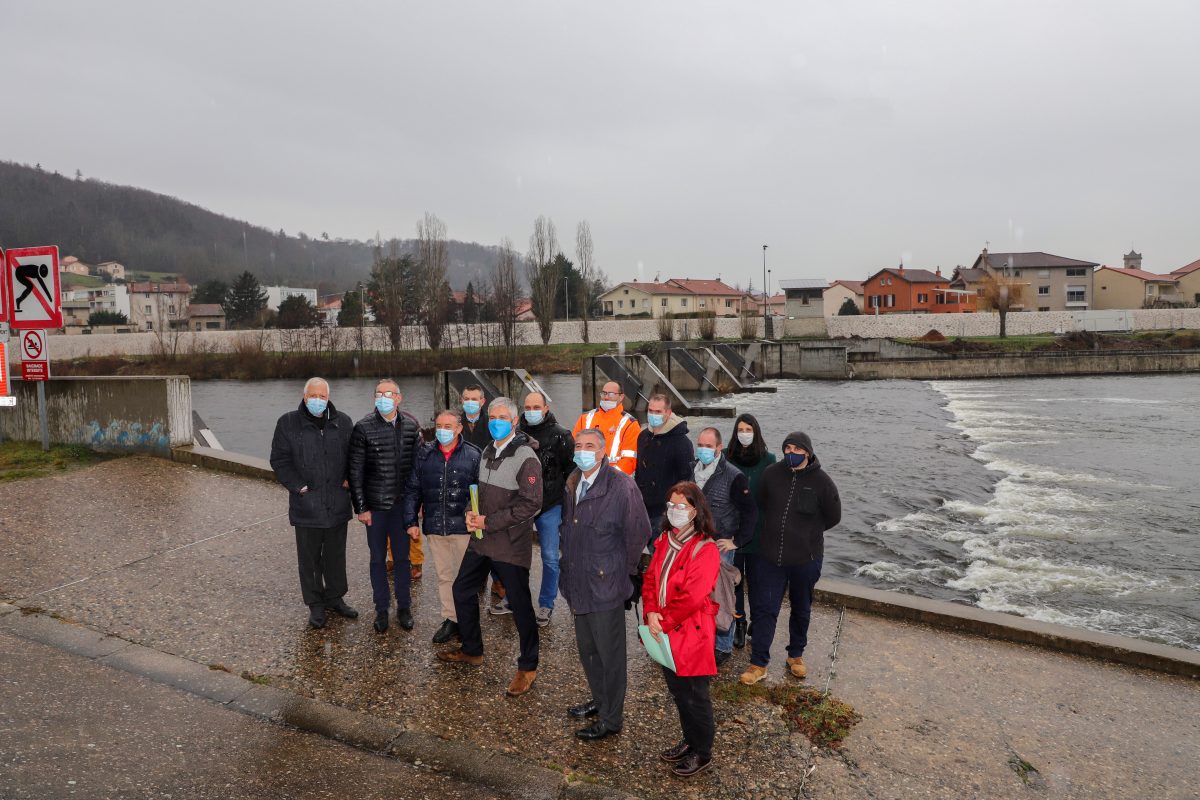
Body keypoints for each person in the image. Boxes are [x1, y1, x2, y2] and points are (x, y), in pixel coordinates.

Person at [439, 397, 543, 698]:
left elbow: (531, 504)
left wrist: (489, 521)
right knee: (462, 590)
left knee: (520, 606)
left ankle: (528, 666)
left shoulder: (526, 457)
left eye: (502, 417)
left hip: (509, 545)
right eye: (492, 417)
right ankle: (472, 649)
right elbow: (483, 495)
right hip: (481, 541)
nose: (495, 421)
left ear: (513, 421)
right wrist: (472, 515)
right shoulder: (487, 450)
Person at [559, 429, 651, 741]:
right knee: (588, 651)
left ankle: (612, 719)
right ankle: (600, 701)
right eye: (578, 445)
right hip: (577, 581)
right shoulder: (573, 482)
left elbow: (639, 532)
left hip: (604, 585)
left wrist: (617, 571)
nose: (582, 451)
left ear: (602, 452)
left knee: (610, 656)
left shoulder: (622, 486)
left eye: (589, 446)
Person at [740, 432, 841, 686]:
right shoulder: (772, 474)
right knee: (765, 609)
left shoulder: (822, 482)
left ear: (807, 452)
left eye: (796, 448)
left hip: (805, 558)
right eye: (787, 448)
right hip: (769, 556)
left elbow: (833, 516)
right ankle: (758, 663)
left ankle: (795, 655)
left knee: (801, 608)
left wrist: (807, 535)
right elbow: (761, 503)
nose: (790, 453)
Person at [642, 482, 721, 778]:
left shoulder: (705, 548)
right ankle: (690, 741)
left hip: (690, 633)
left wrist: (661, 620)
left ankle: (703, 751)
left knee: (695, 696)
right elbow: (650, 578)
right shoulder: (664, 539)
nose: (675, 512)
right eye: (671, 506)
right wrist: (650, 610)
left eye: (682, 507)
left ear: (696, 511)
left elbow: (693, 596)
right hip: (664, 629)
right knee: (678, 692)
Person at [269, 377, 357, 629]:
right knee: (309, 559)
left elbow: (354, 456)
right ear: (304, 396)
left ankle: (335, 597)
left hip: (337, 503)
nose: (317, 400)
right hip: (306, 504)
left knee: (335, 555)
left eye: (322, 396)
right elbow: (280, 460)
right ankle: (315, 604)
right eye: (313, 396)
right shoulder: (288, 423)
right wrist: (299, 487)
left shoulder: (343, 422)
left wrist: (350, 478)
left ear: (328, 397)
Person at [402, 410, 482, 644]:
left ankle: (468, 621)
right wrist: (410, 521)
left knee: (466, 577)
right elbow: (413, 489)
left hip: (463, 528)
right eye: (439, 426)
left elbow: (479, 492)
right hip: (435, 525)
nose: (442, 430)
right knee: (445, 576)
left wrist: (472, 515)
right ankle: (451, 620)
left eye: (448, 426)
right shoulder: (424, 454)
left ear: (459, 429)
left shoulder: (473, 455)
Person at [349, 379, 421, 634]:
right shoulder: (363, 428)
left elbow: (417, 471)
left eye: (387, 393)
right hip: (376, 507)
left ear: (398, 398)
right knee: (377, 559)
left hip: (402, 507)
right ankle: (381, 607)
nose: (383, 398)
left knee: (402, 559)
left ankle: (404, 606)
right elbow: (355, 471)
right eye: (378, 393)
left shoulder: (412, 427)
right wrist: (361, 507)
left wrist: (416, 507)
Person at [693, 427, 757, 666]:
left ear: (719, 448)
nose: (703, 450)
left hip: (720, 547)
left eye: (709, 446)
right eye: (700, 445)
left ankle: (723, 646)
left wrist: (737, 541)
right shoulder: (693, 470)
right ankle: (702, 638)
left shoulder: (733, 476)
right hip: (695, 544)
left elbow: (750, 512)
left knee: (722, 595)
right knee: (699, 595)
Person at [519, 391, 575, 626]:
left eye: (536, 407)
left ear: (545, 409)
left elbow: (571, 471)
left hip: (550, 504)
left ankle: (546, 603)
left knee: (550, 556)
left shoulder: (561, 436)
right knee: (515, 555)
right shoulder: (516, 433)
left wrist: (566, 503)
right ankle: (515, 599)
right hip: (521, 503)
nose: (531, 411)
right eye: (527, 407)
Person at [725, 413, 776, 650]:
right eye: (740, 429)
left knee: (758, 582)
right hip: (732, 531)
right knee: (734, 581)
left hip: (758, 532)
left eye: (748, 429)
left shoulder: (769, 459)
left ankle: (757, 622)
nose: (744, 433)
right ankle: (739, 622)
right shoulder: (725, 457)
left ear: (756, 432)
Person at [634, 393, 694, 535]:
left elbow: (686, 480)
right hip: (642, 508)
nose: (653, 415)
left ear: (668, 412)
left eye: (658, 411)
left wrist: (675, 510)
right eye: (650, 411)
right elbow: (639, 471)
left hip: (665, 512)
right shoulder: (643, 437)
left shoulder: (682, 442)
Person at [572, 380, 640, 476]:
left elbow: (630, 460)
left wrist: (608, 478)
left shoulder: (630, 424)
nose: (606, 397)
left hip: (614, 480)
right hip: (584, 475)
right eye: (604, 393)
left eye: (611, 394)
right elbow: (574, 448)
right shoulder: (585, 418)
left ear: (621, 397)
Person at [459, 384, 492, 451]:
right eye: (466, 399)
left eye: (474, 399)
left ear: (482, 401)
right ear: (462, 401)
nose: (470, 402)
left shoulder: (491, 422)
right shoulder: (455, 422)